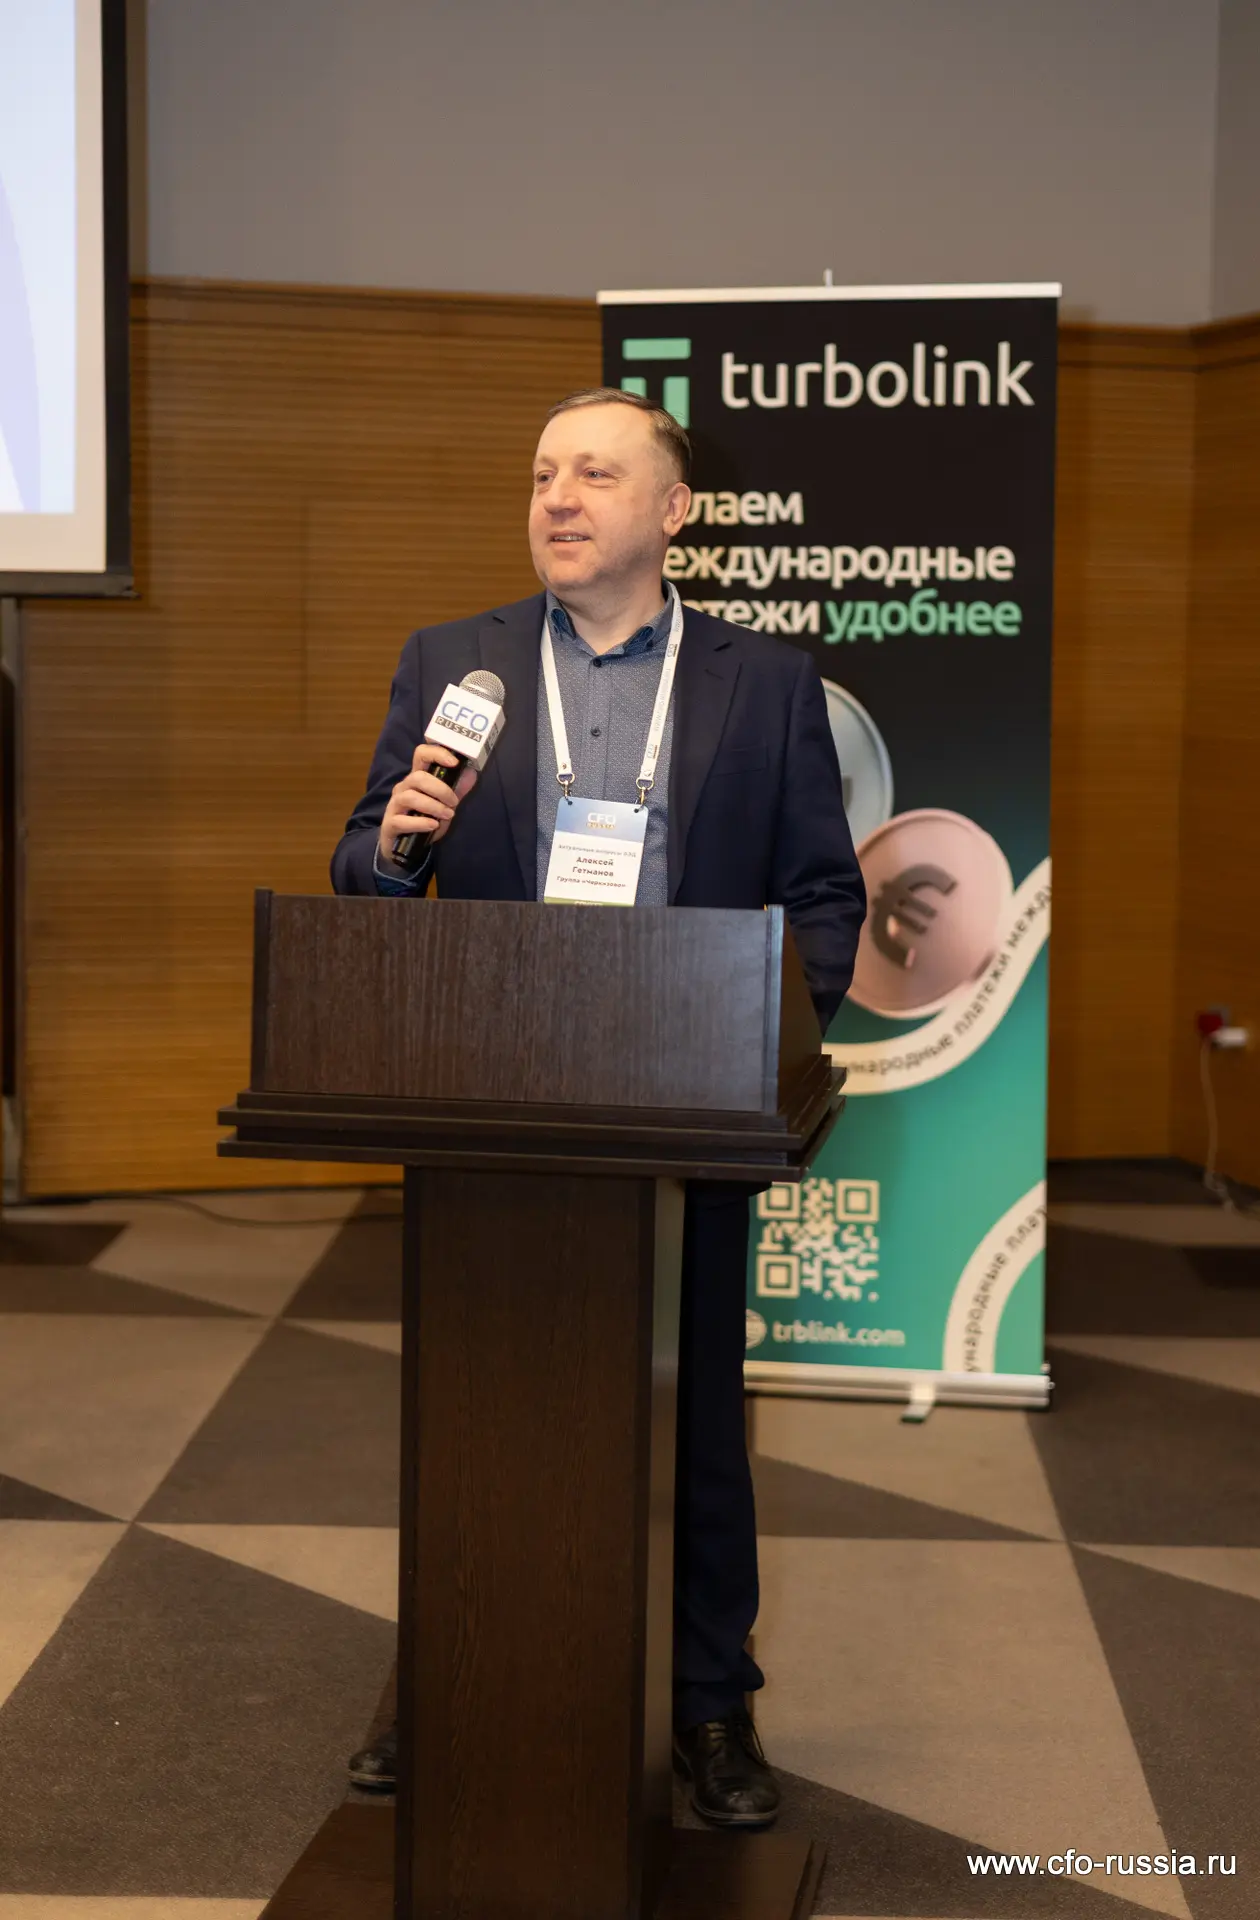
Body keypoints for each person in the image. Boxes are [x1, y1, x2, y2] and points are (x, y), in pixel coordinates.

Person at [332, 388, 865, 1827]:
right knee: (480, 1407)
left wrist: (765, 1037)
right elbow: (366, 861)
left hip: (692, 1107)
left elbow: (824, 893)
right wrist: (393, 846)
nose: (557, 498)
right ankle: (446, 1674)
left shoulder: (766, 681)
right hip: (493, 1104)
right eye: (541, 474)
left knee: (694, 1419)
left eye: (594, 474)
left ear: (673, 512)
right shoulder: (458, 664)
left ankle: (708, 1700)